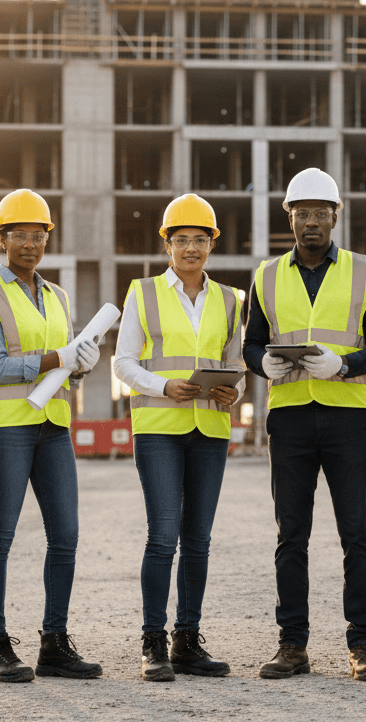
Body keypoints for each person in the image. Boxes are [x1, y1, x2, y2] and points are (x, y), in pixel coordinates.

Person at [243, 168, 366, 682]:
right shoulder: (266, 276)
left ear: (335, 217)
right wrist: (261, 364)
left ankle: (362, 645)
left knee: (357, 534)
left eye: (320, 213)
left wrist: (344, 365)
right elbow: (251, 342)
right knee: (291, 536)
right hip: (289, 419)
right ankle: (292, 645)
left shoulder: (364, 271)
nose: (311, 221)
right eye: (302, 212)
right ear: (289, 217)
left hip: (346, 418)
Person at [0, 189, 103, 683]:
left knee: (65, 535)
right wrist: (57, 359)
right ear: (0, 239)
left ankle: (54, 644)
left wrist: (79, 366)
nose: (29, 243)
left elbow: (62, 365)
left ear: (48, 238)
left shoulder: (58, 296)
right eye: (19, 234)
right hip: (5, 426)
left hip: (53, 426)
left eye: (38, 234)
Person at [113, 194, 245, 682]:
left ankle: (187, 641)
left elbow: (235, 364)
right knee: (163, 536)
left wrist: (233, 391)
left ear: (212, 244)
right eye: (182, 239)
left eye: (200, 239)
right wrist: (163, 386)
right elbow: (123, 362)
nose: (191, 248)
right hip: (159, 429)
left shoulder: (230, 300)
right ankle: (153, 642)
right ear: (166, 244)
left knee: (199, 540)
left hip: (210, 428)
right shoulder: (143, 293)